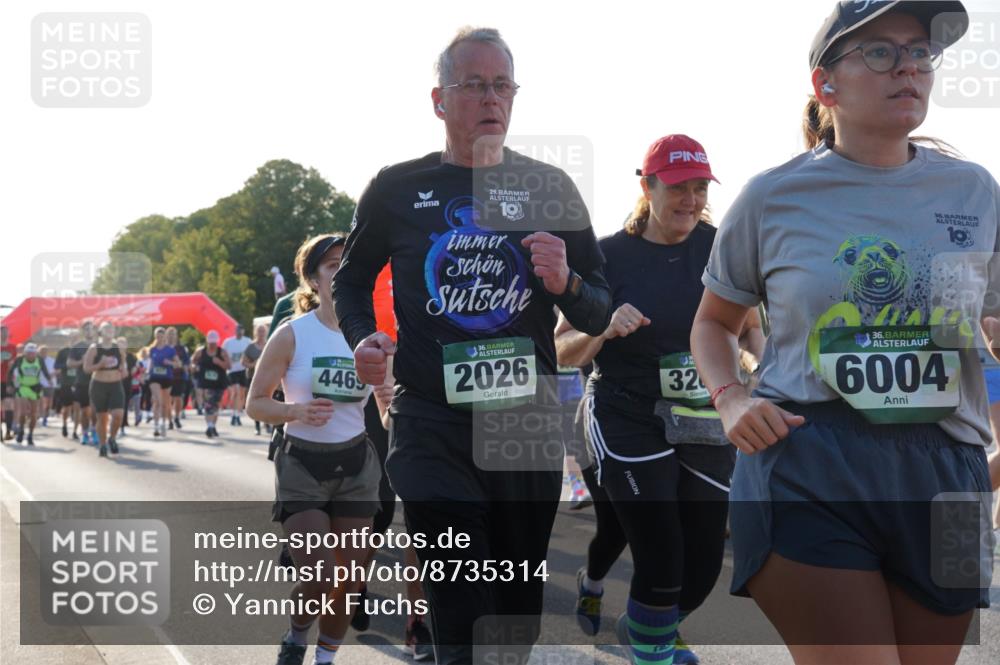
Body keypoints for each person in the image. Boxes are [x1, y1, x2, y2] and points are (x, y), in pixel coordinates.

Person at [691, 3, 994, 663]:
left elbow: (988, 323)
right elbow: (714, 324)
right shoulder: (773, 196)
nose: (908, 67)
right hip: (810, 458)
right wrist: (731, 398)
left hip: (946, 472)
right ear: (826, 85)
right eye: (881, 52)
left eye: (920, 53)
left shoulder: (976, 192)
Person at [333, 27, 611, 664]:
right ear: (439, 99)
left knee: (513, 622)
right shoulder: (397, 188)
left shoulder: (550, 188)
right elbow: (350, 280)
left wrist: (566, 280)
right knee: (460, 611)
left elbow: (598, 306)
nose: (492, 98)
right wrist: (362, 338)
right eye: (475, 85)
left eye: (502, 85)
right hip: (431, 423)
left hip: (524, 426)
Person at [556, 135, 763, 665]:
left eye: (699, 188)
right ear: (647, 187)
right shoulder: (607, 256)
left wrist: (760, 374)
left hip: (703, 415)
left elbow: (750, 335)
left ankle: (644, 628)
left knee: (700, 568)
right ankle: (653, 649)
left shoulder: (721, 248)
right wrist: (603, 328)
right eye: (677, 188)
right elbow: (561, 350)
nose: (690, 200)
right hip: (627, 413)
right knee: (660, 552)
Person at [246, 234, 386, 665]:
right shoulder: (292, 335)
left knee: (350, 579)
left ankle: (325, 658)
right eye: (331, 265)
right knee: (321, 577)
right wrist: (296, 411)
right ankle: (295, 636)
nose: (341, 273)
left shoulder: (374, 340)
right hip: (303, 464)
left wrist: (395, 403)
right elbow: (256, 403)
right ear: (312, 278)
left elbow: (386, 407)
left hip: (357, 465)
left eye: (349, 265)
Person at [83, 322, 126, 457]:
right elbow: (86, 369)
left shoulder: (118, 347)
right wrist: (100, 364)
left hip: (115, 385)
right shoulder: (94, 348)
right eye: (107, 328)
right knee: (102, 419)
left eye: (112, 328)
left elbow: (123, 364)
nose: (110, 330)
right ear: (100, 332)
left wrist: (124, 370)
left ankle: (112, 438)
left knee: (118, 415)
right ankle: (102, 444)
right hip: (99, 385)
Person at [8, 343, 50, 445]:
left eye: (33, 353)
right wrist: (10, 385)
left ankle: (30, 434)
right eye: (29, 353)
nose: (31, 355)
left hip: (35, 388)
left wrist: (50, 381)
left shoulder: (39, 360)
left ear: (36, 353)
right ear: (25, 353)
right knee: (22, 412)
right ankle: (21, 430)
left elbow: (45, 371)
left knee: (33, 414)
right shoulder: (19, 360)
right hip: (23, 387)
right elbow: (10, 372)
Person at [192, 330, 230, 438]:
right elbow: (193, 361)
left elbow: (229, 366)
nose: (212, 345)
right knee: (209, 404)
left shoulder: (222, 352)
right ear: (207, 341)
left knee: (216, 405)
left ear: (217, 342)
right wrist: (194, 367)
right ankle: (209, 426)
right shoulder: (201, 352)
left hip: (219, 383)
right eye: (210, 343)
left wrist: (220, 362)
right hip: (206, 383)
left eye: (214, 343)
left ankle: (212, 426)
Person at [67, 321, 97, 444]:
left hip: (98, 381)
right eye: (86, 329)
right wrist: (82, 362)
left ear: (94, 331)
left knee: (95, 410)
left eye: (91, 329)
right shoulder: (78, 346)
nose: (89, 331)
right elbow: (69, 363)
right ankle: (85, 433)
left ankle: (94, 431)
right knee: (85, 411)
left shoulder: (100, 345)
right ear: (83, 332)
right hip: (82, 382)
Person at [147, 327, 176, 437]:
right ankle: (156, 426)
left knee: (164, 403)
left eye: (162, 336)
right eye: (158, 336)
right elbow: (151, 363)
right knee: (157, 401)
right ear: (156, 337)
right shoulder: (152, 350)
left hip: (167, 378)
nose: (160, 338)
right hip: (154, 377)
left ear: (165, 337)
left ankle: (163, 423)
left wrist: (169, 362)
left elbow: (178, 364)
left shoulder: (170, 350)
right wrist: (147, 372)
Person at [223, 324, 252, 426]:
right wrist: (226, 364)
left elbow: (252, 354)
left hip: (243, 370)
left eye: (241, 330)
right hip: (232, 371)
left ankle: (238, 415)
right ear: (235, 331)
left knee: (241, 393)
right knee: (235, 391)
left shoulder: (248, 341)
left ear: (243, 332)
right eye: (238, 330)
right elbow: (223, 354)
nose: (239, 332)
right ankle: (234, 413)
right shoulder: (228, 342)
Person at [244, 324, 267, 435]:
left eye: (263, 331)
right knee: (256, 402)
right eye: (259, 331)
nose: (261, 333)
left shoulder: (269, 344)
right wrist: (253, 364)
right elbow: (243, 362)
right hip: (253, 377)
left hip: (268, 377)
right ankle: (257, 426)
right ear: (255, 333)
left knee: (268, 400)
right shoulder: (251, 347)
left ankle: (267, 423)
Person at [54, 338, 76, 438]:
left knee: (78, 407)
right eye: (73, 338)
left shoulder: (83, 350)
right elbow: (56, 365)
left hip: (79, 383)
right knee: (66, 407)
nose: (74, 341)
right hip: (66, 383)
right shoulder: (63, 352)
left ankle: (76, 431)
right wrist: (67, 365)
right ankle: (64, 425)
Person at [1, 326, 15, 441]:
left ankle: (8, 431)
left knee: (9, 405)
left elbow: (15, 363)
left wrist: (12, 364)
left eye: (6, 332)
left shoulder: (12, 347)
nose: (4, 334)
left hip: (9, 380)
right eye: (2, 332)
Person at [38, 345, 55, 427]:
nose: (43, 353)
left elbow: (57, 370)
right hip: (38, 383)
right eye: (41, 352)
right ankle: (39, 416)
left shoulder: (52, 361)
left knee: (48, 403)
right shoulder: (35, 360)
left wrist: (51, 376)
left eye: (44, 351)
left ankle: (45, 417)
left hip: (49, 384)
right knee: (40, 400)